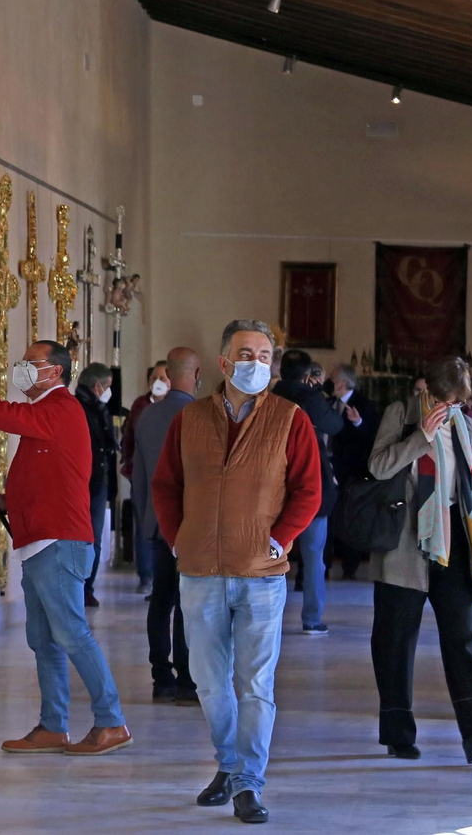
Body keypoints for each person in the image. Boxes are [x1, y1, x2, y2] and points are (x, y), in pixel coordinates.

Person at [0, 341, 131, 756]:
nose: (22, 370)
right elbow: (47, 476)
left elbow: (10, 416)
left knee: (72, 635)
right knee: (43, 639)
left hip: (59, 543)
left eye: (30, 364)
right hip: (40, 542)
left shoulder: (61, 408)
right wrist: (9, 501)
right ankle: (54, 725)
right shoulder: (51, 415)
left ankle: (111, 722)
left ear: (54, 372)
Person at [151, 319, 322, 824]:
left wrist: (281, 538)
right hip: (200, 568)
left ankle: (247, 780)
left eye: (264, 355)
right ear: (224, 363)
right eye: (245, 354)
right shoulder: (190, 419)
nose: (255, 363)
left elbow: (309, 490)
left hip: (261, 573)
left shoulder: (291, 419)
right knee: (207, 680)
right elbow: (165, 485)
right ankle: (227, 764)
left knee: (255, 684)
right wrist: (178, 537)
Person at [367, 356, 472, 764]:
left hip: (454, 540)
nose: (451, 407)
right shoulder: (402, 413)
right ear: (427, 389)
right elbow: (377, 467)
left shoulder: (466, 418)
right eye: (446, 399)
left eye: (458, 400)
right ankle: (398, 733)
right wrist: (420, 438)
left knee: (462, 637)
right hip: (405, 543)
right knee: (395, 641)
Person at [131, 346, 201, 705]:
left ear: (168, 376)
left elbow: (139, 477)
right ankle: (189, 680)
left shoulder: (147, 416)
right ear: (197, 374)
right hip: (193, 527)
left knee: (161, 600)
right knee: (189, 603)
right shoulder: (201, 416)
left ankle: (162, 678)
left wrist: (147, 521)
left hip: (158, 526)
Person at [272, 350, 344, 633]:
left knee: (273, 552)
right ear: (306, 375)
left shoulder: (272, 395)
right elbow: (334, 425)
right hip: (310, 482)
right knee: (314, 556)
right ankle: (311, 619)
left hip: (277, 481)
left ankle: (270, 617)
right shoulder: (309, 397)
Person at [122, 362, 170, 595]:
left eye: (162, 377)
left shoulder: (178, 406)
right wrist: (128, 465)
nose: (157, 382)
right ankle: (145, 576)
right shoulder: (140, 405)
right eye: (153, 377)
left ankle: (164, 577)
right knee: (143, 526)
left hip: (168, 479)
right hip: (141, 476)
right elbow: (129, 436)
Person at [330, 364, 379, 579]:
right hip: (331, 469)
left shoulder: (364, 404)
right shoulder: (330, 403)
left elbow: (373, 436)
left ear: (341, 382)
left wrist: (358, 422)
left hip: (353, 471)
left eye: (332, 378)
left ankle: (350, 566)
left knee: (351, 516)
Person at [76, 363, 119, 608]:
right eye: (108, 387)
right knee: (86, 538)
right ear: (97, 386)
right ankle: (81, 589)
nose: (108, 392)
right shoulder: (79, 409)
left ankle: (87, 589)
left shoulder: (99, 409)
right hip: (87, 482)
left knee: (93, 538)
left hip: (99, 481)